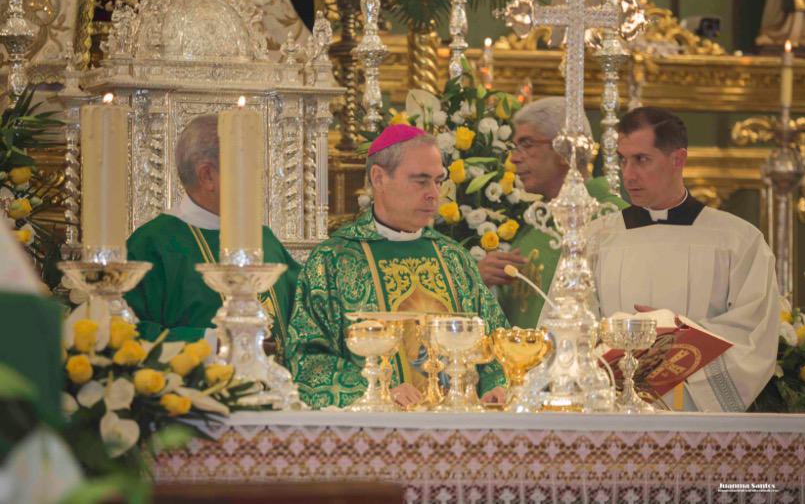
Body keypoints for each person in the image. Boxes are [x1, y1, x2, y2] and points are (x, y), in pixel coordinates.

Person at [285, 124, 509, 409]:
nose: (434, 194)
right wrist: (377, 390)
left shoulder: (454, 259)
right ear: (379, 178)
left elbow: (495, 342)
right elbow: (307, 362)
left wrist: (495, 387)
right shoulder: (333, 261)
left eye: (438, 181)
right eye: (420, 181)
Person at [586, 107, 779, 412]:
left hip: (696, 417)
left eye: (641, 160)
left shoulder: (737, 240)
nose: (628, 175)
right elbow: (569, 322)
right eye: (623, 160)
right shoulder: (596, 238)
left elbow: (755, 333)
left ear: (678, 160)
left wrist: (677, 333)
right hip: (610, 410)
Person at [125, 114, 300, 363]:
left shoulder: (263, 238)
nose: (260, 182)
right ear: (207, 176)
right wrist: (210, 343)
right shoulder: (152, 244)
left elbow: (307, 306)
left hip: (278, 397)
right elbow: (122, 335)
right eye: (248, 170)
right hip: (194, 398)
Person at [478, 97, 627, 328]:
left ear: (565, 148)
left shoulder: (615, 219)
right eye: (515, 147)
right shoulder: (536, 223)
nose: (514, 158)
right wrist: (483, 283)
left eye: (527, 144)